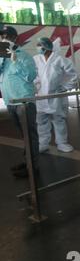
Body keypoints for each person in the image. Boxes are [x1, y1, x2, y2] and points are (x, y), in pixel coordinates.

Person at [0, 26, 38, 178]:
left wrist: (16, 60)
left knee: (30, 135)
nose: (3, 39)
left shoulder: (24, 56)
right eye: (1, 36)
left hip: (24, 102)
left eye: (6, 36)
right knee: (24, 135)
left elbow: (30, 76)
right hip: (10, 102)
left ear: (14, 38)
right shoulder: (2, 58)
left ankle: (33, 167)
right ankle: (27, 161)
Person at [34, 37, 78, 154]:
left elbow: (73, 75)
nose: (38, 47)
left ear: (47, 47)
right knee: (41, 121)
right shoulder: (36, 59)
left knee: (59, 120)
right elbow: (33, 75)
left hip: (56, 96)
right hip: (40, 96)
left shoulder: (60, 60)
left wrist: (64, 87)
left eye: (40, 45)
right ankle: (43, 143)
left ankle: (62, 143)